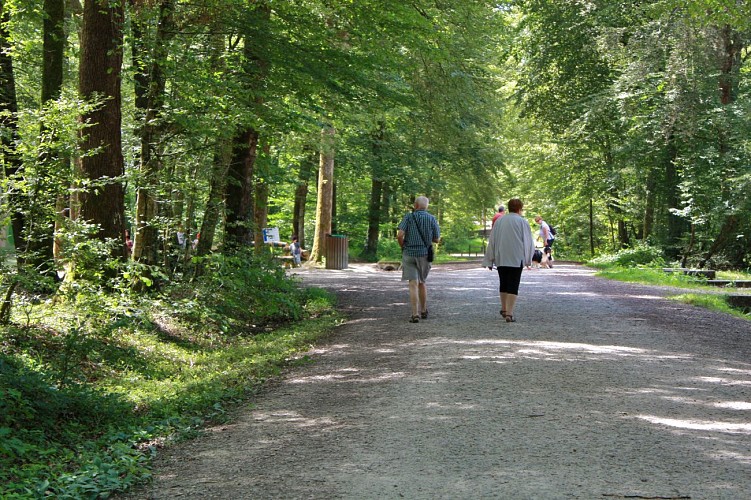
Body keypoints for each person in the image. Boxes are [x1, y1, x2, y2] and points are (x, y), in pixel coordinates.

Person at [483, 198, 535, 323]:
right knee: (513, 284)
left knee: (504, 283)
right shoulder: (522, 222)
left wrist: (490, 259)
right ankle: (509, 314)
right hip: (516, 258)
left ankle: (504, 308)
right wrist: (528, 259)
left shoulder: (500, 221)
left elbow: (492, 241)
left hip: (501, 257)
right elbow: (528, 242)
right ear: (519, 209)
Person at [397, 196, 440, 323]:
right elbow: (437, 239)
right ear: (426, 206)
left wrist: (403, 245)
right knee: (422, 282)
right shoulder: (432, 218)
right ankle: (424, 310)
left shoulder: (408, 217)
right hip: (424, 255)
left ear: (415, 205)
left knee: (412, 284)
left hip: (409, 253)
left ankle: (415, 314)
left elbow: (400, 235)